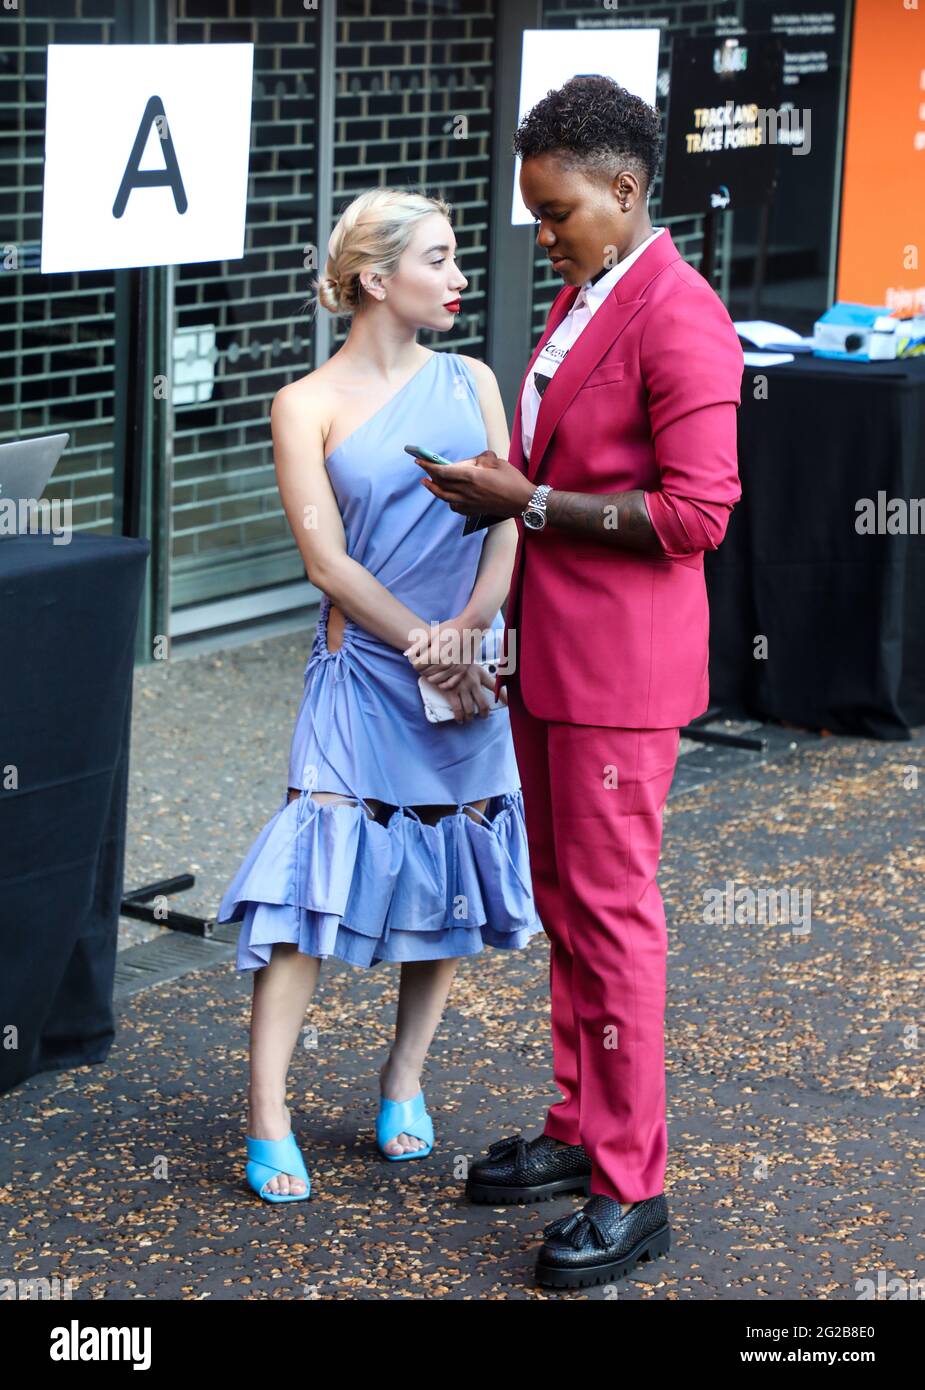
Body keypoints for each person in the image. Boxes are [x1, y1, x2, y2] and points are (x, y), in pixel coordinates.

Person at [414, 76, 744, 1287]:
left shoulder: (679, 312)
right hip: (555, 656)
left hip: (619, 675)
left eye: (554, 213)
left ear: (623, 188)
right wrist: (505, 487)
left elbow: (699, 512)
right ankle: (578, 1124)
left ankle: (633, 1185)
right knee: (566, 905)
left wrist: (530, 501)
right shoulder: (586, 294)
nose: (540, 236)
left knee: (610, 922)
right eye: (533, 215)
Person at [216, 188, 544, 1203]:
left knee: (453, 850)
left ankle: (403, 1076)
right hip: (364, 673)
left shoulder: (475, 379)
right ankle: (267, 1111)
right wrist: (423, 645)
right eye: (438, 261)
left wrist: (474, 630)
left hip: (465, 667)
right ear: (374, 278)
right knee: (308, 878)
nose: (457, 278)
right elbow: (325, 560)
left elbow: (507, 517)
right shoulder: (304, 403)